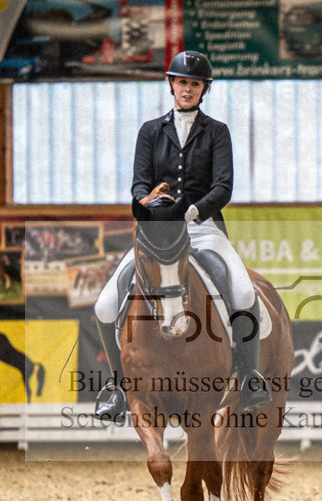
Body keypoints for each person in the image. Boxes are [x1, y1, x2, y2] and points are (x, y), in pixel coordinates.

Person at [93, 50, 269, 422]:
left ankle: (249, 376)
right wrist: (151, 203)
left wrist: (192, 211)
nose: (187, 89)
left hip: (202, 228)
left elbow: (223, 187)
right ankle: (117, 387)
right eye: (182, 82)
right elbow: (139, 183)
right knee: (105, 305)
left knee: (243, 293)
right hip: (158, 231)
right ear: (171, 84)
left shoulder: (217, 131)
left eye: (195, 84)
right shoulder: (150, 131)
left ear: (204, 89)